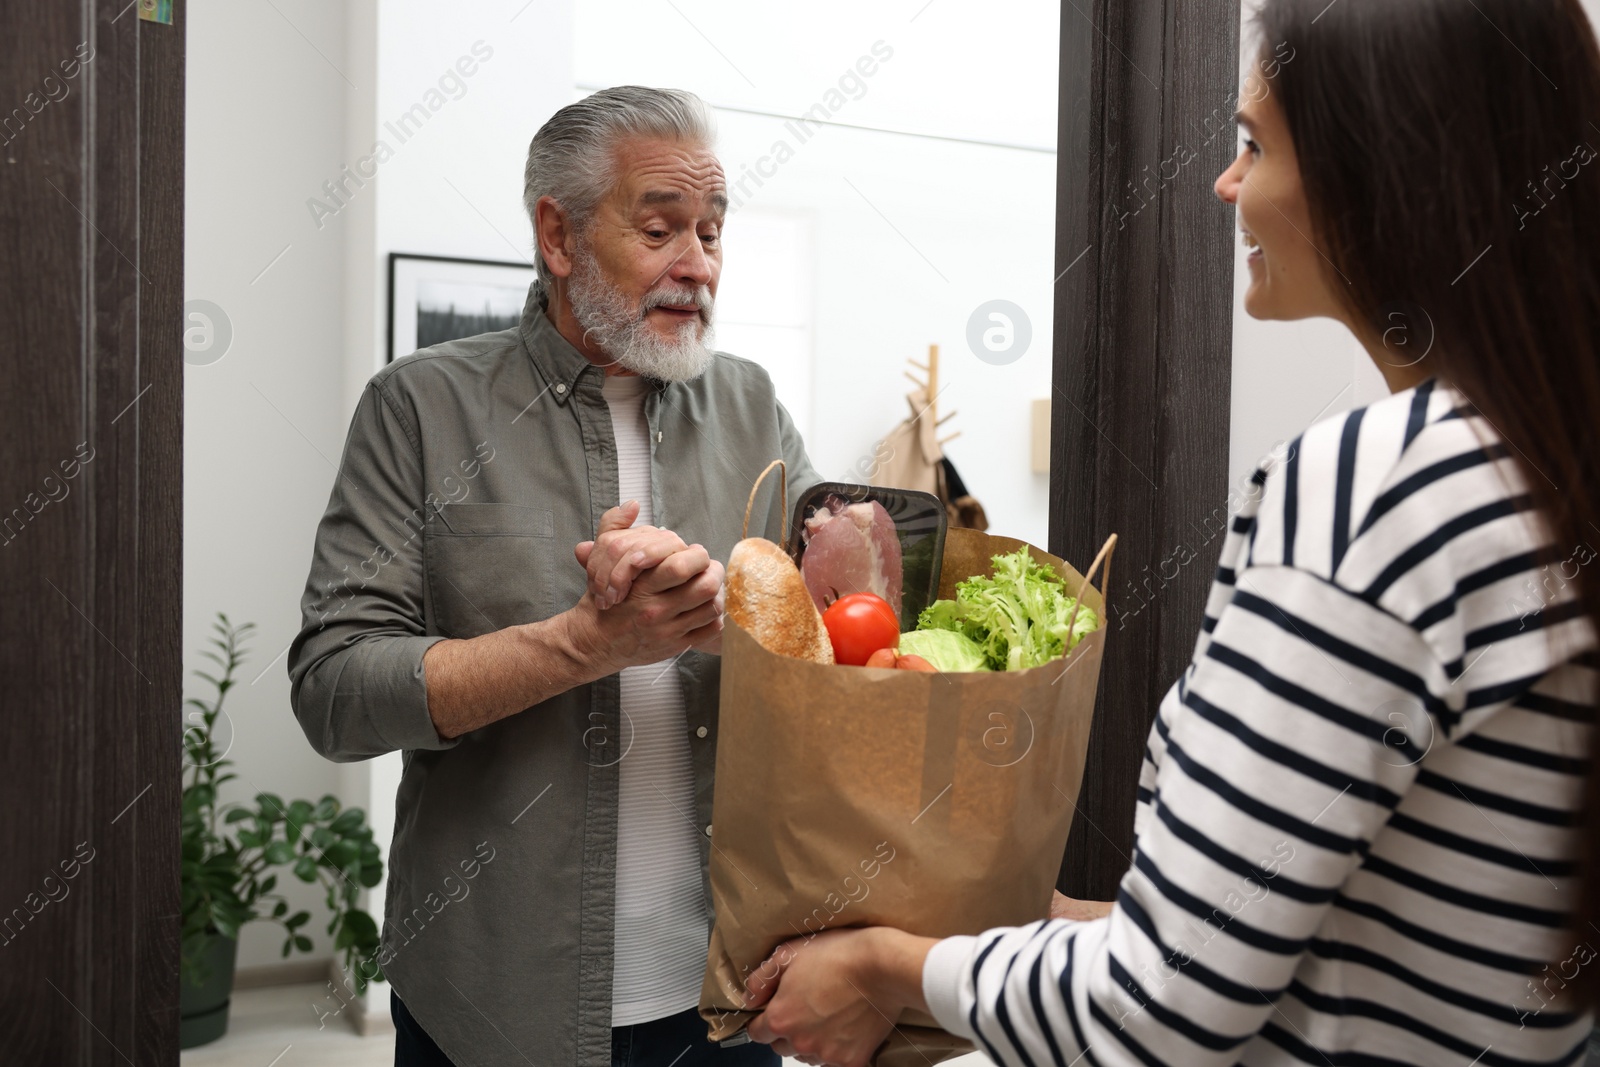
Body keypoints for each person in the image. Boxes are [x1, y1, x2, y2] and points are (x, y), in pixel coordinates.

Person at [742, 1, 1600, 1064]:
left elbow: (1163, 1005)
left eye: (1251, 145)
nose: (1222, 184)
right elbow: (1355, 934)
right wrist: (1040, 923)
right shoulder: (1539, 467)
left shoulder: (1378, 484)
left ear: (1383, 166)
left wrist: (881, 966)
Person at [287, 86, 818, 1066]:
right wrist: (585, 643)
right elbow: (335, 691)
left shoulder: (752, 406)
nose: (696, 264)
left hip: (729, 992)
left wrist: (753, 620)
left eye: (711, 230)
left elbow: (832, 650)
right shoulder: (420, 408)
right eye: (660, 227)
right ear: (558, 235)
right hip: (491, 997)